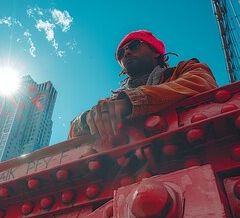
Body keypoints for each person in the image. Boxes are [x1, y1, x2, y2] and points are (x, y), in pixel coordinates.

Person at [68, 30, 218, 140]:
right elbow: (72, 132)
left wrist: (129, 102)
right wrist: (86, 119)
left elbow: (202, 82)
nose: (126, 52)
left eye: (134, 45)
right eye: (120, 53)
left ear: (156, 52)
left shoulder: (185, 69)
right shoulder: (112, 102)